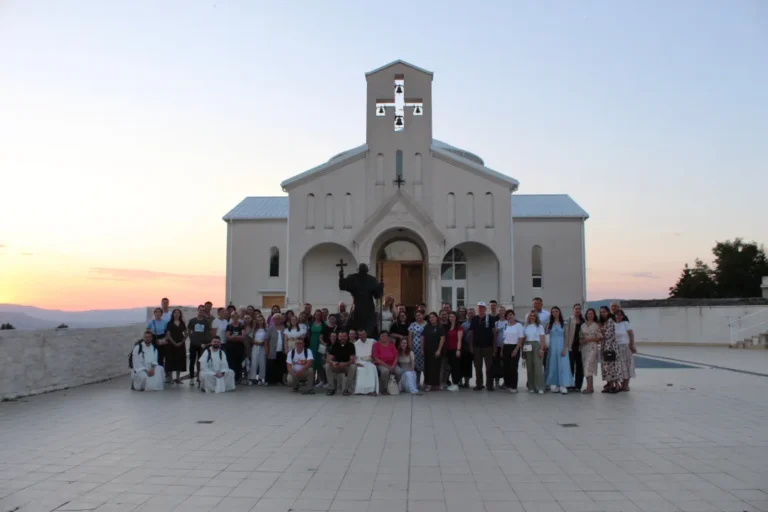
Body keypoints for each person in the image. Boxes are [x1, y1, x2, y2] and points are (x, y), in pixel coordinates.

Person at [545, 306, 572, 394]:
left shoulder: (564, 323)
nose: (555, 313)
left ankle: (563, 385)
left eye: (556, 311)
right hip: (552, 348)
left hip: (561, 347)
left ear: (559, 312)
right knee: (553, 365)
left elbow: (567, 337)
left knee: (563, 365)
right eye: (553, 311)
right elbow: (546, 335)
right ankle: (555, 384)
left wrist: (565, 348)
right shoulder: (549, 323)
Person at [469, 302, 496, 391]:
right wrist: (471, 346)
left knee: (489, 367)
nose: (481, 309)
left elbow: (494, 333)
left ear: (485, 309)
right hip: (477, 347)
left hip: (488, 347)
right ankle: (479, 384)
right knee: (477, 367)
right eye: (479, 307)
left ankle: (489, 385)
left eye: (482, 307)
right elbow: (472, 333)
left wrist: (494, 347)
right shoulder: (474, 319)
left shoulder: (490, 319)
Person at [325, 331, 357, 396]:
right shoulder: (335, 345)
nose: (342, 338)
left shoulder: (351, 345)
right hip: (337, 365)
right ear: (338, 337)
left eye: (344, 336)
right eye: (341, 336)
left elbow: (352, 360)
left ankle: (346, 389)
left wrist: (345, 364)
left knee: (353, 367)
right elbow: (328, 359)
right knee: (327, 366)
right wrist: (333, 362)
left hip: (346, 366)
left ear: (347, 337)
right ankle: (332, 388)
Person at [187, 305, 212, 386]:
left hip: (202, 345)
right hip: (194, 344)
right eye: (200, 310)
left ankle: (199, 376)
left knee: (200, 361)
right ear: (197, 310)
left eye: (203, 310)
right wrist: (192, 339)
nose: (201, 312)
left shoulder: (206, 322)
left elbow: (208, 332)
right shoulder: (192, 321)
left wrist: (206, 343)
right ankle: (191, 378)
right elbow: (189, 331)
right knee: (192, 361)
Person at [579, 308, 602, 394]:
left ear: (594, 315)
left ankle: (589, 388)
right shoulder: (583, 325)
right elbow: (580, 337)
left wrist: (589, 339)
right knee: (586, 367)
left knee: (589, 366)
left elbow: (600, 338)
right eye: (588, 313)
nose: (590, 315)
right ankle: (590, 387)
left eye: (591, 313)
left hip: (592, 347)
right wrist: (581, 341)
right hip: (584, 348)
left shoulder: (596, 325)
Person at [522, 310, 546, 394]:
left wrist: (541, 349)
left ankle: (540, 387)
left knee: (538, 367)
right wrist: (523, 351)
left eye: (534, 316)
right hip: (528, 345)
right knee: (529, 367)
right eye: (530, 316)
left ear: (536, 317)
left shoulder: (539, 326)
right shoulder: (525, 326)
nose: (532, 317)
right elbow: (523, 338)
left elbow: (542, 338)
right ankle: (531, 386)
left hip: (537, 345)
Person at [501, 310, 524, 393]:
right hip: (506, 347)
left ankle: (514, 386)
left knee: (513, 367)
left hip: (514, 347)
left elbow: (520, 338)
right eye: (507, 315)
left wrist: (516, 349)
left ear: (514, 315)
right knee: (506, 367)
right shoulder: (506, 325)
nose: (509, 317)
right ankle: (508, 384)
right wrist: (502, 350)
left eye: (511, 315)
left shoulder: (518, 325)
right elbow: (504, 339)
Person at [421, 312, 445, 392]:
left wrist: (439, 350)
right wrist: (422, 349)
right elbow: (422, 338)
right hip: (427, 350)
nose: (432, 319)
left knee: (435, 368)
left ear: (436, 318)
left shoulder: (440, 327)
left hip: (436, 350)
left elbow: (442, 339)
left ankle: (435, 384)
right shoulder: (427, 327)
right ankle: (428, 384)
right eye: (430, 317)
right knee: (427, 368)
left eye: (433, 317)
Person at [599, 306, 621, 393]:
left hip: (610, 347)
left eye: (604, 312)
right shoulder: (605, 322)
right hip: (605, 346)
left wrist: (601, 330)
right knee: (607, 367)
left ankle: (614, 386)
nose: (602, 313)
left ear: (608, 312)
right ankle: (611, 385)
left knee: (611, 367)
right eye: (601, 312)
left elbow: (608, 335)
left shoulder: (610, 321)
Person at [614, 309, 636, 392]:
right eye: (617, 315)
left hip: (625, 347)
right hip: (616, 348)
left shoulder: (626, 324)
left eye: (620, 315)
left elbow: (631, 335)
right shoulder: (613, 324)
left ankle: (625, 385)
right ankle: (620, 384)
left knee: (627, 366)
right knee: (619, 367)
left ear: (623, 316)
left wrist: (632, 345)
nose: (618, 316)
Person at [564, 304, 585, 392]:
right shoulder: (568, 319)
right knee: (570, 366)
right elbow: (565, 334)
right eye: (576, 309)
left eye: (579, 309)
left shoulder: (583, 321)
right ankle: (569, 384)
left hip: (581, 347)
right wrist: (566, 346)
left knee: (580, 367)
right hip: (571, 346)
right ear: (573, 310)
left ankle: (578, 386)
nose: (577, 310)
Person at [164, 308, 188, 383]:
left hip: (180, 344)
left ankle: (178, 378)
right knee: (170, 360)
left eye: (178, 313)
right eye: (175, 312)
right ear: (173, 314)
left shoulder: (182, 323)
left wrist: (182, 341)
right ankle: (171, 378)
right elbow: (168, 335)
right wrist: (174, 343)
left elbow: (186, 333)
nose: (176, 314)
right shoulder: (169, 323)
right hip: (171, 344)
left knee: (179, 360)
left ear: (180, 314)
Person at [353, 329, 378, 395]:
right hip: (360, 362)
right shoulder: (355, 344)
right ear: (358, 336)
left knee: (371, 368)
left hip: (370, 361)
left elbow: (378, 348)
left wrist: (373, 358)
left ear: (366, 334)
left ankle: (371, 390)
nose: (362, 336)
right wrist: (357, 363)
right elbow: (353, 356)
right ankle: (360, 390)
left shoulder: (372, 341)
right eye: (360, 335)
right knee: (361, 370)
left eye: (363, 334)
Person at [224, 312, 246, 383]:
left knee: (238, 363)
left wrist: (234, 337)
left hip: (239, 347)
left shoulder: (241, 326)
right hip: (230, 347)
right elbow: (227, 337)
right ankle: (231, 378)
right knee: (231, 362)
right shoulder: (229, 326)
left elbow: (243, 337)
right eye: (234, 317)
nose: (235, 318)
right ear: (232, 317)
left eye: (237, 317)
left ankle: (238, 378)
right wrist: (237, 337)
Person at [147, 307, 168, 378]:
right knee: (153, 356)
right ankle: (153, 372)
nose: (158, 313)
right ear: (154, 313)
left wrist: (165, 339)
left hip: (161, 340)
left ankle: (161, 374)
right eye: (156, 312)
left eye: (159, 312)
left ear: (161, 314)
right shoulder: (151, 322)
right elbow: (147, 330)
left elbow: (166, 332)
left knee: (161, 357)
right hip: (154, 340)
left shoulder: (164, 322)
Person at [408, 310, 427, 388]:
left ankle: (426, 382)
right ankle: (417, 382)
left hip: (425, 347)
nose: (418, 317)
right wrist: (410, 347)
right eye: (416, 315)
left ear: (423, 315)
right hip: (415, 348)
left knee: (426, 366)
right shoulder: (412, 325)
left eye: (419, 315)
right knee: (416, 366)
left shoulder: (427, 324)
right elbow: (410, 337)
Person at [444, 312, 463, 392]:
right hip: (449, 349)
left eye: (453, 317)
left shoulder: (459, 327)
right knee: (451, 367)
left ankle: (456, 384)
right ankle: (453, 383)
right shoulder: (448, 327)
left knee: (456, 367)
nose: (451, 318)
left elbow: (459, 340)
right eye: (450, 317)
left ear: (456, 318)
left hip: (455, 349)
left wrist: (458, 350)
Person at [266, 314, 286, 385]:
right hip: (272, 350)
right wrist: (267, 350)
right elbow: (266, 340)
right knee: (272, 365)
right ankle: (271, 381)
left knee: (280, 365)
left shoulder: (284, 328)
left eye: (279, 319)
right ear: (273, 320)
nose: (277, 320)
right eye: (275, 319)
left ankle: (279, 380)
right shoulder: (271, 328)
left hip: (281, 350)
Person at [248, 315, 268, 385]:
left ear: (263, 321)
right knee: (254, 362)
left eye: (261, 320)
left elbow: (267, 339)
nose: (260, 322)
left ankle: (261, 378)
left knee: (262, 363)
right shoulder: (254, 329)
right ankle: (252, 378)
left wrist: (263, 343)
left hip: (263, 347)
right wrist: (255, 342)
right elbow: (250, 339)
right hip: (255, 346)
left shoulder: (266, 329)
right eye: (258, 320)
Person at [307, 310, 326, 387]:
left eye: (319, 314)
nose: (317, 316)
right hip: (312, 344)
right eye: (316, 314)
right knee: (312, 361)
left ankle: (321, 380)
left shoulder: (324, 324)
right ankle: (311, 380)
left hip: (320, 344)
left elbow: (325, 334)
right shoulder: (311, 323)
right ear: (314, 315)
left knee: (320, 361)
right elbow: (308, 334)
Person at [459, 308, 474, 388]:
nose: (471, 314)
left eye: (472, 313)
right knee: (464, 364)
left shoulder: (477, 322)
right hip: (466, 347)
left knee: (470, 365)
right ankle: (463, 381)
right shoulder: (464, 325)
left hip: (475, 346)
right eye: (469, 313)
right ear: (467, 314)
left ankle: (468, 381)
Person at [492, 305, 506, 388]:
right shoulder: (496, 323)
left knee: (505, 364)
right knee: (496, 364)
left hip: (506, 346)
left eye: (503, 310)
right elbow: (493, 335)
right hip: (498, 345)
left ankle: (505, 381)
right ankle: (496, 381)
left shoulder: (508, 322)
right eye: (500, 310)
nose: (501, 312)